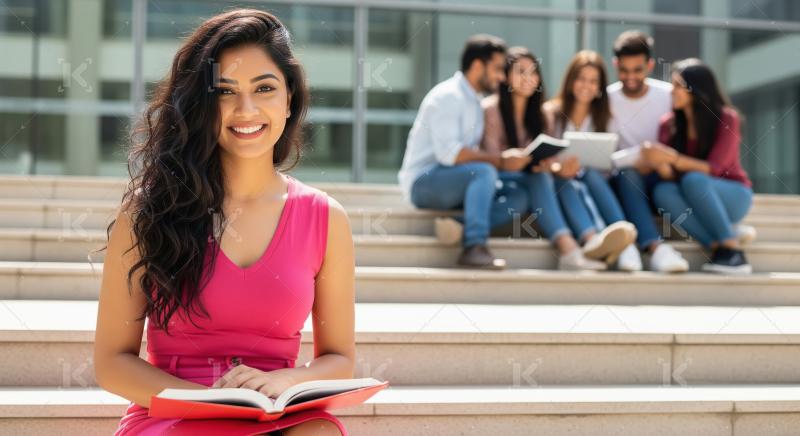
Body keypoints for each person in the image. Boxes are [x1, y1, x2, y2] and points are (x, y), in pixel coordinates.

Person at [95, 10, 354, 435]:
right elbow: (112, 363)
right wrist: (205, 402)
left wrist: (286, 380)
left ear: (289, 100)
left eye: (264, 88)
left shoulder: (326, 217)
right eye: (225, 92)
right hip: (174, 411)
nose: (245, 109)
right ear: (201, 104)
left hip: (275, 409)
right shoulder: (148, 211)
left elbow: (340, 359)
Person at [398, 34, 529, 270]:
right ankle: (474, 247)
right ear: (478, 65)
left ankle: (457, 225)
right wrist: (500, 160)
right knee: (485, 171)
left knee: (518, 195)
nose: (502, 77)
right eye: (498, 69)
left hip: (454, 181)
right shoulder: (448, 96)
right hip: (424, 183)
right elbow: (451, 155)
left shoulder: (475, 101)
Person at [480, 46, 606, 270]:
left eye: (533, 72)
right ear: (506, 76)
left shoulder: (543, 113)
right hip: (502, 181)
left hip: (536, 181)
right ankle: (568, 249)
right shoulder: (491, 109)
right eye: (521, 72)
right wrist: (509, 160)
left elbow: (550, 158)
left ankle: (591, 239)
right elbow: (490, 157)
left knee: (562, 181)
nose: (529, 78)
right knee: (538, 181)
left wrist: (555, 167)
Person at [647, 58, 754, 275]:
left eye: (678, 85)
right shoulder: (668, 124)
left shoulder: (726, 118)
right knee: (662, 190)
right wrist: (660, 164)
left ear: (695, 89)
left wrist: (673, 158)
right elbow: (671, 177)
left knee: (694, 178)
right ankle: (719, 248)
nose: (672, 91)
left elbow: (715, 167)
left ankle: (733, 249)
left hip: (732, 195)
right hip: (692, 197)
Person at [542, 50, 637, 268]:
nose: (587, 86)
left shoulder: (605, 117)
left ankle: (627, 246)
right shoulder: (551, 113)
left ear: (600, 88)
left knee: (590, 174)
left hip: (595, 180)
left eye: (594, 81)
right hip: (561, 180)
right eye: (581, 79)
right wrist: (559, 168)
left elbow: (610, 159)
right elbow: (542, 156)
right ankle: (594, 240)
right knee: (568, 183)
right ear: (571, 81)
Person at [607, 30, 690, 273]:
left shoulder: (667, 95)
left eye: (637, 70)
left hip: (662, 175)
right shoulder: (607, 98)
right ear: (615, 65)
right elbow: (603, 155)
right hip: (624, 178)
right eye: (624, 70)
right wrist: (636, 159)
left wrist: (657, 162)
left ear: (650, 65)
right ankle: (655, 247)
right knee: (629, 176)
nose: (630, 77)